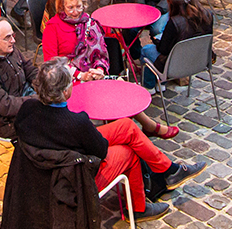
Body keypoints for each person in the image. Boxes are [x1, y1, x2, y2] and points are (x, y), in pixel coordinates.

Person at [16, 59, 203, 220]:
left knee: (126, 127)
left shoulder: (27, 110)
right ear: (65, 93)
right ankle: (138, 208)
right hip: (76, 178)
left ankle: (169, 170)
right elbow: (100, 150)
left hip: (47, 172)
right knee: (129, 152)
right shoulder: (76, 123)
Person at [40, 0, 175, 138]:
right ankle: (125, 132)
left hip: (93, 74)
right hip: (68, 80)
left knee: (120, 88)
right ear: (62, 6)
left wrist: (99, 69)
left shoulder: (89, 23)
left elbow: (101, 52)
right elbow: (52, 64)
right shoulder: (53, 27)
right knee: (107, 95)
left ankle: (144, 126)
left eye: (79, 7)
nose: (75, 12)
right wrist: (80, 75)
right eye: (70, 8)